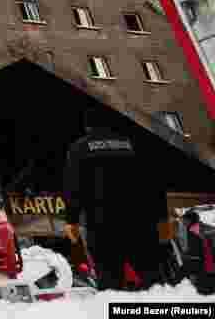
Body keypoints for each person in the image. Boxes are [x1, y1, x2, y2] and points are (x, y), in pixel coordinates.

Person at [62, 107, 157, 291]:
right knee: (147, 279)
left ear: (88, 125)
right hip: (137, 222)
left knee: (110, 279)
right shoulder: (130, 144)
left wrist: (71, 220)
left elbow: (73, 187)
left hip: (101, 224)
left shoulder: (80, 147)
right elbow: (149, 182)